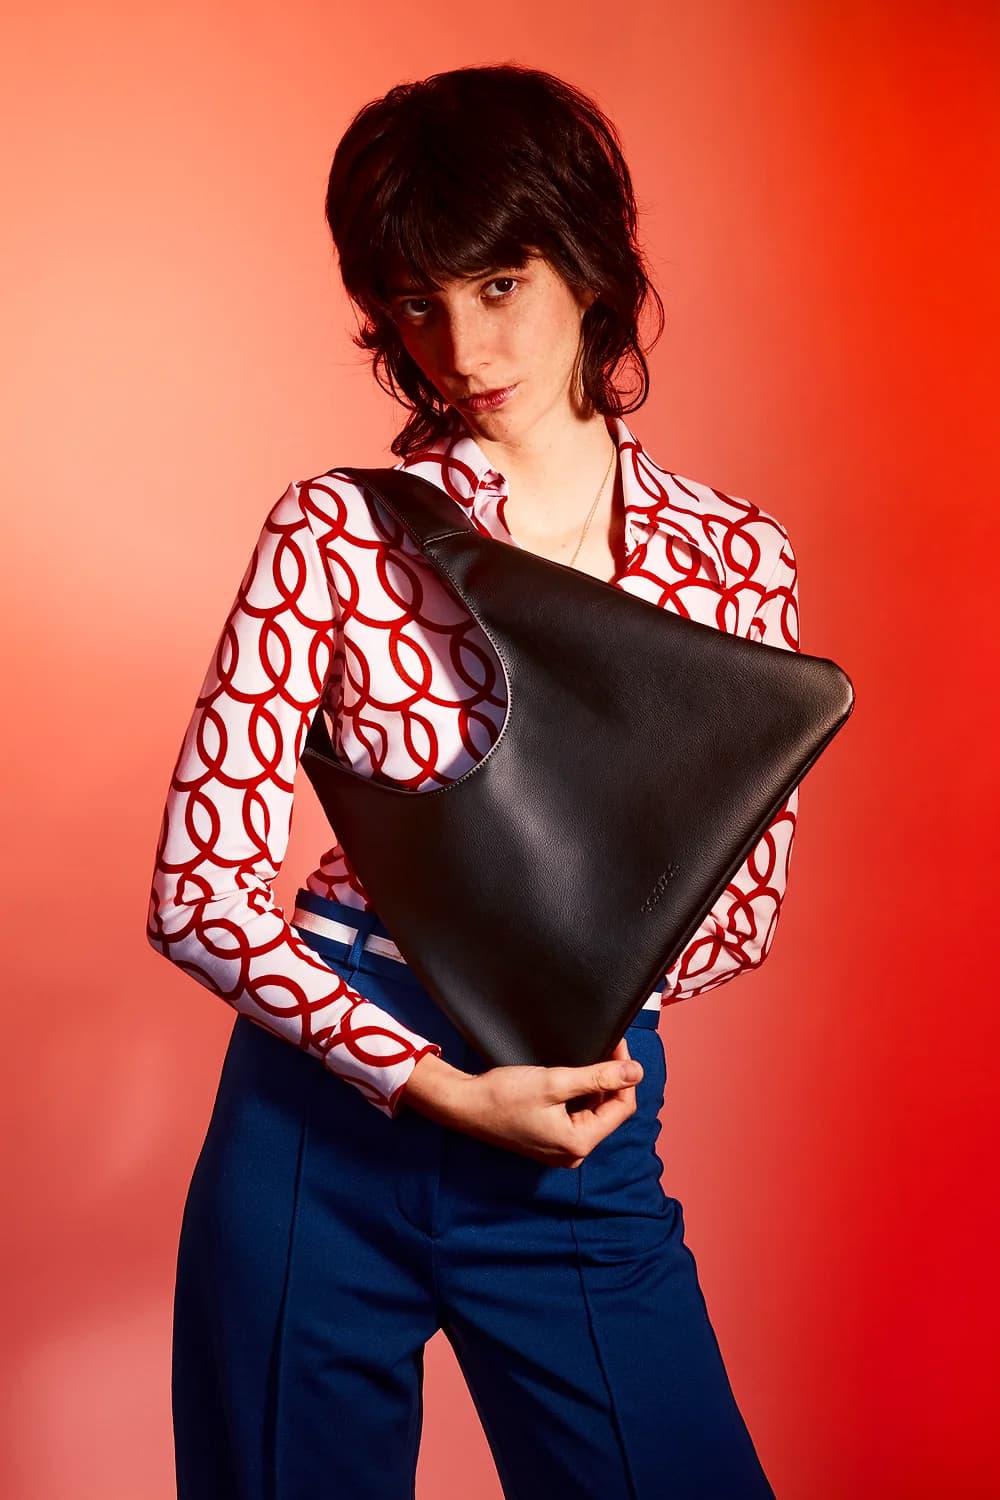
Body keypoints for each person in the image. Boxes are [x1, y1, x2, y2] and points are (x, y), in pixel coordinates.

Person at [147, 62, 799, 1500]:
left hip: (572, 1117)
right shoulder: (336, 531)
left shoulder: (734, 561)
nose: (461, 344)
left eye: (500, 284)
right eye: (417, 302)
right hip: (318, 1124)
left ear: (588, 261)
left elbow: (743, 911)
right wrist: (436, 1084)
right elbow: (200, 896)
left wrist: (554, 989)